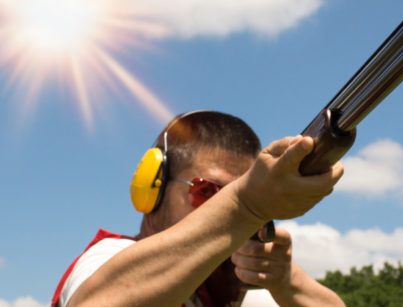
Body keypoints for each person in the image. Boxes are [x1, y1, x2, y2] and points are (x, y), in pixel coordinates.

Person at [51, 111, 345, 307]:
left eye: (234, 192)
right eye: (207, 191)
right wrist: (245, 204)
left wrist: (287, 282)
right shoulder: (106, 258)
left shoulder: (240, 288)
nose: (222, 207)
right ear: (153, 186)